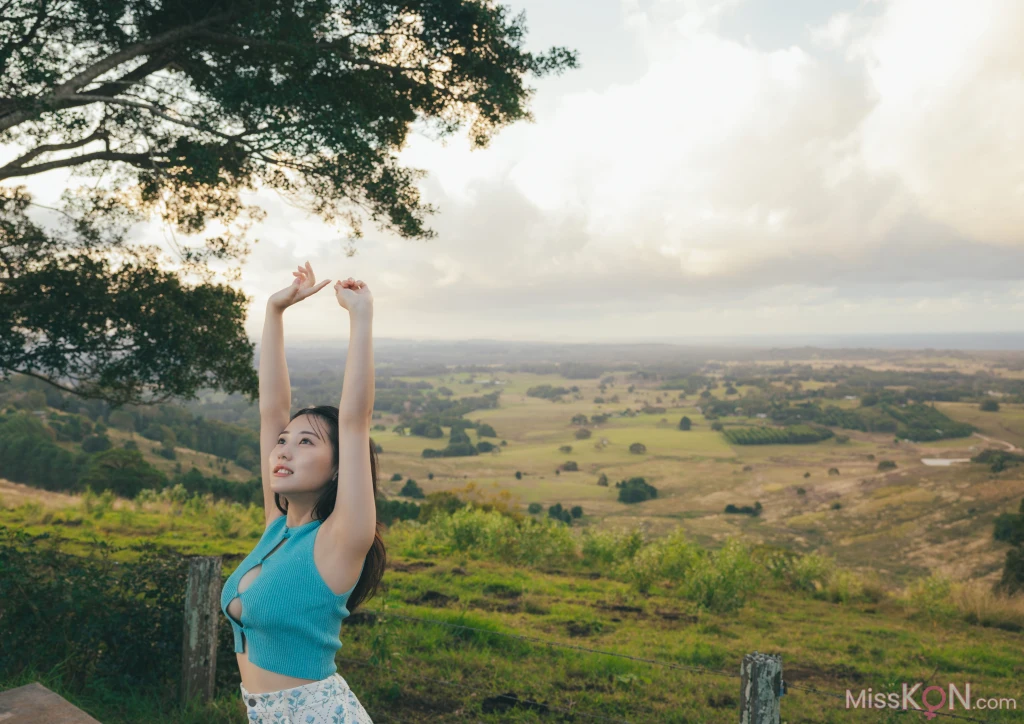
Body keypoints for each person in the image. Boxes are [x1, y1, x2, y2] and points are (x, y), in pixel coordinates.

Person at [220, 262, 385, 723]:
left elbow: (355, 420)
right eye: (283, 442)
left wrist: (361, 315)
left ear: (339, 469)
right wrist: (275, 311)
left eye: (307, 442)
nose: (283, 450)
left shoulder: (340, 539)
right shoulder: (277, 530)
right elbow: (271, 409)